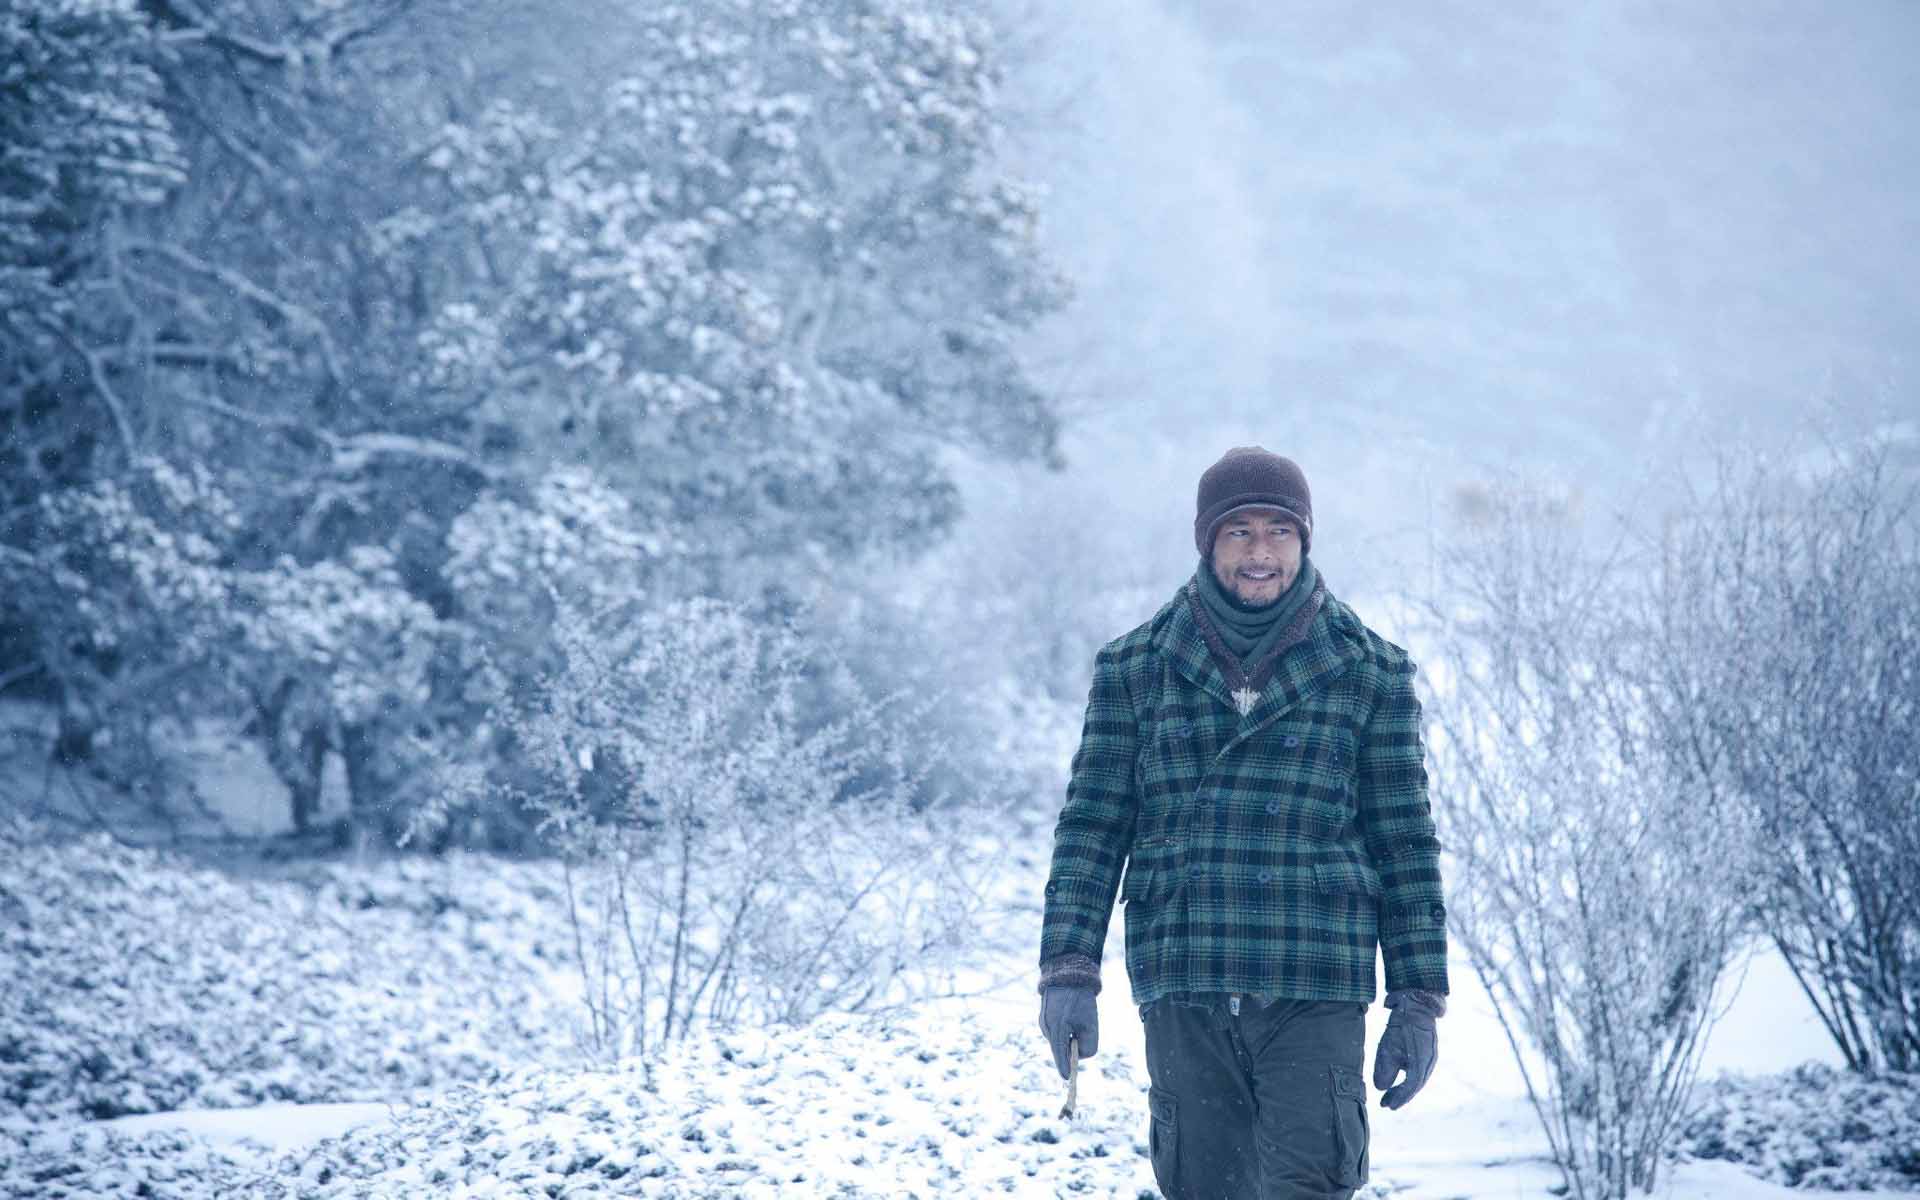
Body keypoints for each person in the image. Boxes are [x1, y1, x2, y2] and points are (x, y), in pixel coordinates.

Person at [1037, 446, 1449, 1200]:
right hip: (1184, 969)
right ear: (1208, 541)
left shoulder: (1370, 671)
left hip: (1315, 972)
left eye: (1279, 531)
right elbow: (1093, 827)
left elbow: (1405, 843)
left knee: (1311, 1182)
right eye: (1240, 532)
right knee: (1201, 1185)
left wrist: (1418, 999)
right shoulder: (1135, 667)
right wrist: (1068, 969)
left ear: (1304, 539)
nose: (1261, 552)